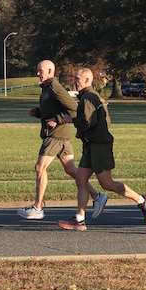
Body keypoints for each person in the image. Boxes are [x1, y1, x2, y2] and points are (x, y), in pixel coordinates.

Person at [57, 67, 146, 230]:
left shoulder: (88, 98)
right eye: (74, 78)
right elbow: (105, 120)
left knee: (107, 183)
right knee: (81, 179)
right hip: (91, 144)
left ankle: (142, 201)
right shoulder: (91, 97)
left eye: (77, 79)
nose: (74, 81)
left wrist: (71, 120)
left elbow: (88, 122)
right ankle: (80, 219)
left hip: (100, 145)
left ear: (87, 80)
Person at [19, 59, 89, 220]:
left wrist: (58, 119)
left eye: (40, 71)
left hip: (55, 135)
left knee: (39, 168)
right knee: (72, 171)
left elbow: (73, 108)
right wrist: (39, 113)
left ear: (50, 72)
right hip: (60, 136)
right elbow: (54, 108)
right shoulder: (47, 88)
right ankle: (97, 196)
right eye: (37, 70)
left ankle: (38, 207)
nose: (38, 73)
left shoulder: (55, 87)